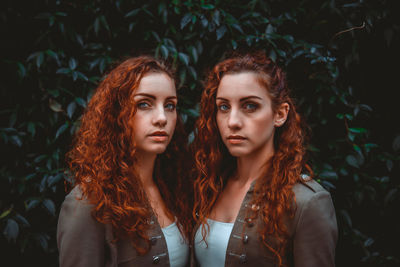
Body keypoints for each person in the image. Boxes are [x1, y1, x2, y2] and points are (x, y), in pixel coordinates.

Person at [191, 51, 338, 267]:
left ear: (280, 114)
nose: (232, 121)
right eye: (223, 107)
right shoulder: (209, 186)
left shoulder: (306, 203)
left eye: (249, 106)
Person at [57, 56, 191, 267]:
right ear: (117, 112)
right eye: (144, 104)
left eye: (170, 105)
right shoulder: (89, 203)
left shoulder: (174, 188)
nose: (162, 117)